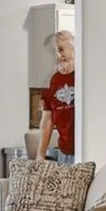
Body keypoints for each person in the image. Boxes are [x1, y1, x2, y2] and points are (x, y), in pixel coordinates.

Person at [35, 29, 77, 165]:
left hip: (85, 147)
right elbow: (47, 121)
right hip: (64, 152)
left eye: (62, 49)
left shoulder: (82, 75)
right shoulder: (51, 81)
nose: (59, 55)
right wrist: (40, 155)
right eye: (55, 52)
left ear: (73, 47)